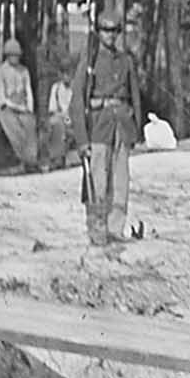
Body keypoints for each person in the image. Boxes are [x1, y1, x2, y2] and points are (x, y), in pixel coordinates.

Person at [69, 13, 143, 246]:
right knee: (97, 181)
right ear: (98, 32)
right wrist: (81, 139)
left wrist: (136, 128)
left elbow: (135, 96)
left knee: (120, 181)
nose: (110, 35)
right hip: (98, 128)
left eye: (114, 31)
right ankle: (97, 231)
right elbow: (77, 101)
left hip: (121, 125)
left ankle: (115, 229)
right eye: (105, 30)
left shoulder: (125, 61)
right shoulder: (89, 62)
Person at [0, 37, 40, 170]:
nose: (15, 58)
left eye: (17, 55)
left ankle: (32, 160)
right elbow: (0, 97)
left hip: (23, 108)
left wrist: (29, 107)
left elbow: (28, 90)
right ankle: (22, 158)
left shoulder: (24, 70)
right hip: (7, 108)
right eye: (13, 55)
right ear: (7, 56)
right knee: (13, 127)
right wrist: (13, 106)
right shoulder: (0, 71)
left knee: (30, 124)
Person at [43, 57, 76, 171]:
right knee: (56, 124)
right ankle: (56, 157)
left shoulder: (76, 88)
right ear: (61, 74)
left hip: (74, 118)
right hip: (61, 118)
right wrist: (62, 115)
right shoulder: (56, 88)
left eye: (69, 73)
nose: (67, 76)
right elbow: (52, 109)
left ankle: (72, 157)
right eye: (65, 73)